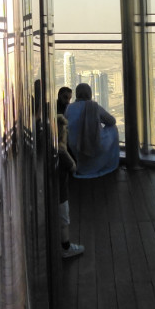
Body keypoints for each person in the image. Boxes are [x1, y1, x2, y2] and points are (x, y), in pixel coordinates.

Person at [64, 83, 120, 178]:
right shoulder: (94, 107)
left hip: (75, 145)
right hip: (94, 144)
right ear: (89, 93)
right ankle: (106, 163)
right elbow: (112, 121)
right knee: (113, 128)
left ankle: (85, 167)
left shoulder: (69, 107)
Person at [56, 86, 84, 260]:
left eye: (69, 98)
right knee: (64, 220)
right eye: (65, 97)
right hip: (62, 193)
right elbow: (73, 167)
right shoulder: (61, 152)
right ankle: (65, 247)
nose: (67, 101)